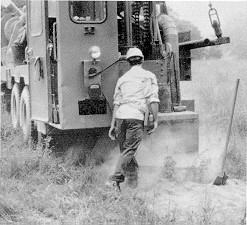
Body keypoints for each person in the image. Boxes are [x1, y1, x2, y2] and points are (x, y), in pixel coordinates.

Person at [108, 47, 160, 190]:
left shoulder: (122, 79)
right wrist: (154, 120)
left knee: (125, 150)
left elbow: (116, 103)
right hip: (135, 117)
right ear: (142, 60)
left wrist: (113, 125)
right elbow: (153, 100)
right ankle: (115, 179)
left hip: (120, 118)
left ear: (127, 62)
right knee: (129, 150)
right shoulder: (149, 76)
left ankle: (133, 183)